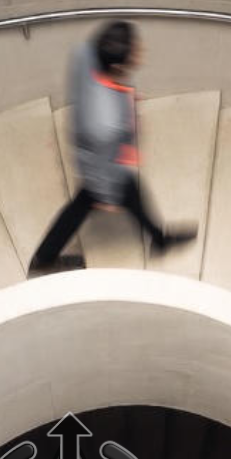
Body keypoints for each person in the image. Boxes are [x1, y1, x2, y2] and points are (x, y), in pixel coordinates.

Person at [27, 21, 197, 277]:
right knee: (111, 197)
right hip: (105, 169)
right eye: (136, 51)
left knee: (89, 205)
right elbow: (104, 152)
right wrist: (106, 194)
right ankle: (44, 259)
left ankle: (44, 257)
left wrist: (123, 97)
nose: (141, 52)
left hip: (96, 150)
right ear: (117, 66)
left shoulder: (84, 54)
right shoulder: (105, 123)